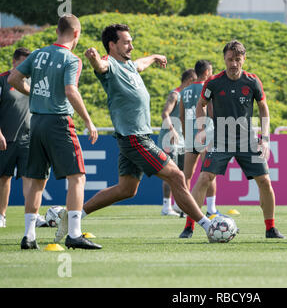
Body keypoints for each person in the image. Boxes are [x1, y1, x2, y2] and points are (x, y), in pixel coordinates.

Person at [72, 24, 212, 239]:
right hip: (134, 138)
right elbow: (100, 66)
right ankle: (207, 225)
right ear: (112, 45)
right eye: (126, 42)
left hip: (134, 137)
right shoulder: (110, 64)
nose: (131, 46)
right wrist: (93, 58)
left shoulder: (128, 65)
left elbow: (140, 64)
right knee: (176, 175)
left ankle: (73, 216)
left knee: (127, 189)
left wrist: (155, 56)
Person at [8, 14, 101, 250]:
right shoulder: (71, 59)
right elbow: (71, 91)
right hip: (59, 122)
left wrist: (33, 94)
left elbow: (14, 77)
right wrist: (89, 121)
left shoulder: (38, 54)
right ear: (76, 34)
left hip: (36, 122)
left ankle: (29, 236)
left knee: (38, 180)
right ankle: (74, 234)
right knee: (77, 177)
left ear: (58, 31)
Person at [188, 40, 285, 239]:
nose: (233, 64)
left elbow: (263, 108)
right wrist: (202, 129)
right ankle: (189, 226)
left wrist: (264, 138)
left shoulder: (252, 81)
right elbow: (201, 105)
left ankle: (271, 228)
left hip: (248, 140)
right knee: (205, 177)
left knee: (265, 181)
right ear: (224, 59)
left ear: (244, 59)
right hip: (220, 140)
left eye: (237, 59)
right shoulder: (214, 82)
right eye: (230, 59)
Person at [178, 60, 220, 238]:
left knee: (186, 176)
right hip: (206, 134)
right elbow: (211, 112)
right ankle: (211, 209)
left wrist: (187, 134)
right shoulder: (209, 88)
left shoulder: (185, 91)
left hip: (190, 137)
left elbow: (180, 115)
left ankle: (184, 208)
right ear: (208, 71)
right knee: (208, 173)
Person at [0, 47, 32, 228]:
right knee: (4, 178)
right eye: (24, 63)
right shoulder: (3, 80)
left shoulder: (32, 82)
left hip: (28, 139)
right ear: (14, 62)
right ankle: (1, 216)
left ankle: (32, 217)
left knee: (30, 178)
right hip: (6, 139)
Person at [158, 68, 196, 216]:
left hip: (182, 140)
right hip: (170, 140)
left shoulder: (187, 97)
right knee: (170, 173)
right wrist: (172, 130)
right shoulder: (175, 95)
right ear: (189, 80)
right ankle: (166, 206)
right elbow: (165, 113)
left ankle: (181, 205)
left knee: (183, 174)